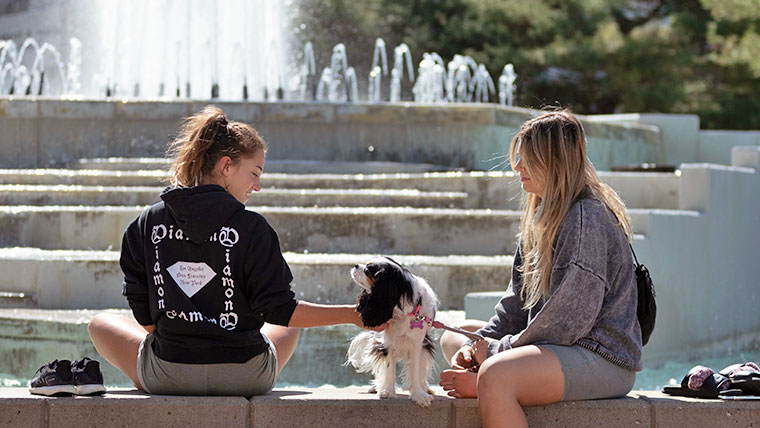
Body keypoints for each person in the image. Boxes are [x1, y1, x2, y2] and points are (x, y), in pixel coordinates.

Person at [88, 105, 377, 396]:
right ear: (227, 166)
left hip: (166, 373)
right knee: (289, 327)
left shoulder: (146, 222)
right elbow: (281, 310)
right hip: (247, 376)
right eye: (254, 173)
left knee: (100, 324)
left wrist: (184, 343)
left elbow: (140, 304)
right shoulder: (253, 228)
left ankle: (168, 376)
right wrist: (353, 315)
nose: (258, 186)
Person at [439, 110, 642, 428]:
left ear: (555, 161)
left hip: (600, 356)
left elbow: (567, 322)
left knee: (496, 377)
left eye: (527, 158)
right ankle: (486, 376)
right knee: (455, 336)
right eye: (518, 156)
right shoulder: (541, 217)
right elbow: (514, 308)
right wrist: (473, 348)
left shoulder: (586, 218)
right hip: (555, 346)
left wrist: (491, 355)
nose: (517, 166)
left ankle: (488, 386)